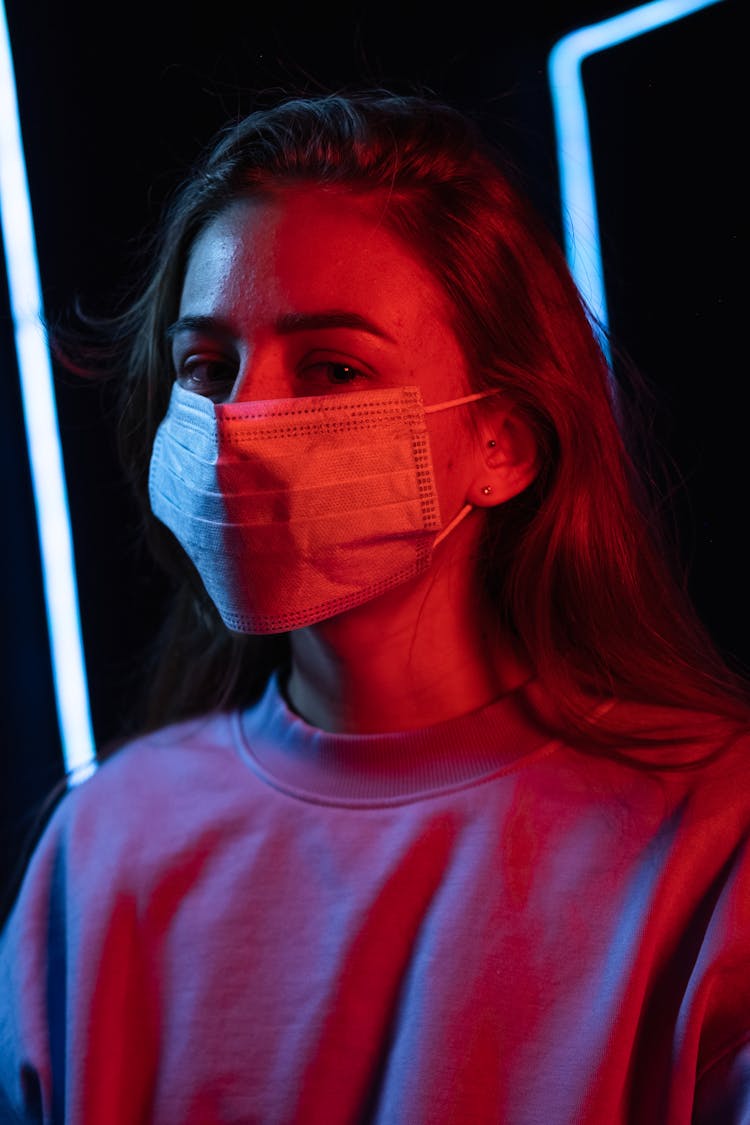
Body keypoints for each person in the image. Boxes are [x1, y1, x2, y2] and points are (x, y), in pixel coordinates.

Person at [1, 86, 749, 1125]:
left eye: (334, 366)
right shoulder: (105, 847)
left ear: (505, 441)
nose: (239, 423)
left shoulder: (712, 838)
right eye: (207, 367)